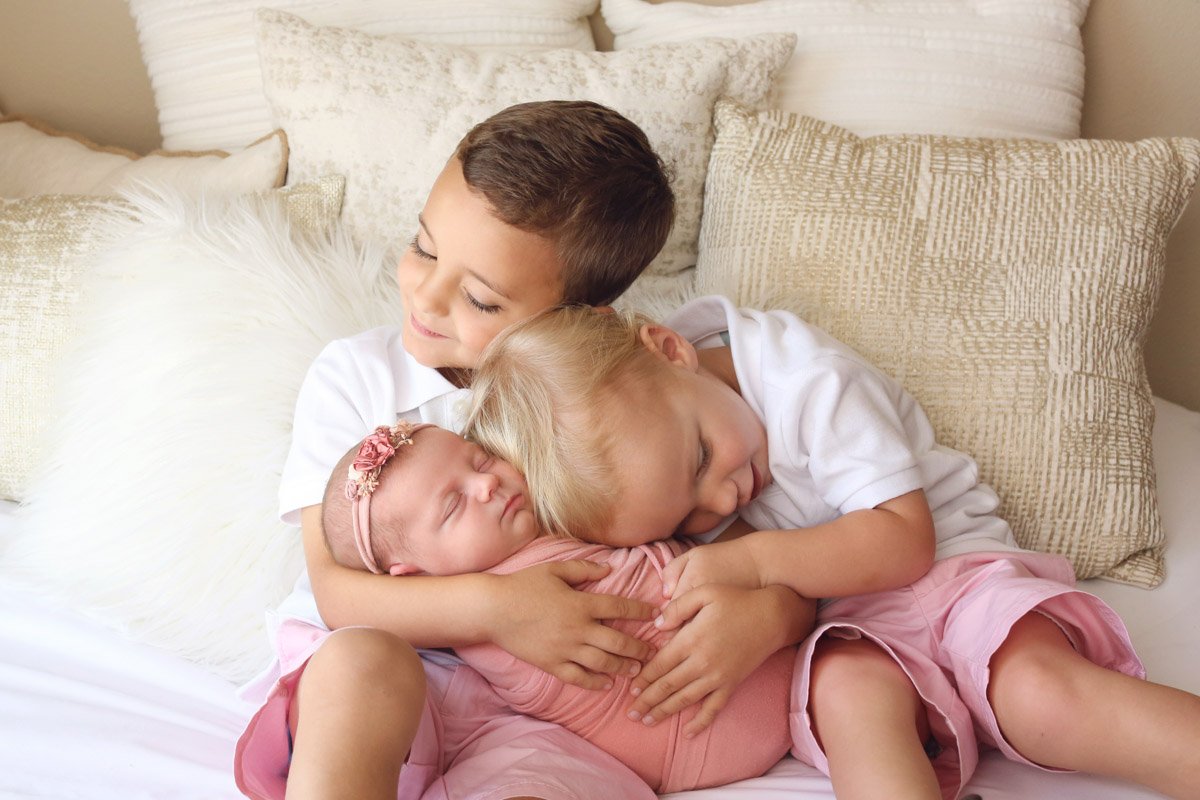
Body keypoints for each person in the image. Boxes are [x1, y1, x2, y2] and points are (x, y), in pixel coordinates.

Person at [466, 296, 1200, 800]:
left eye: (699, 461)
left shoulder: (802, 377)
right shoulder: (650, 468)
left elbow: (901, 540)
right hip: (852, 623)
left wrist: (745, 563)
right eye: (688, 516)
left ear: (669, 349)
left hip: (954, 576)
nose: (720, 500)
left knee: (1038, 692)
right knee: (849, 697)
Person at [233, 99, 738, 800]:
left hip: (562, 711)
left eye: (478, 297)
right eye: (424, 249)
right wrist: (498, 610)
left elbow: (705, 538)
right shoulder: (356, 376)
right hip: (391, 679)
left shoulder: (603, 396)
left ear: (577, 322)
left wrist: (765, 617)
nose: (427, 297)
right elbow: (338, 593)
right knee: (360, 666)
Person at [315, 419, 800, 793]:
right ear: (413, 576)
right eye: (452, 507)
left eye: (481, 461)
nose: (486, 485)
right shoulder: (478, 619)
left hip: (770, 666)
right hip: (694, 740)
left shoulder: (552, 509)